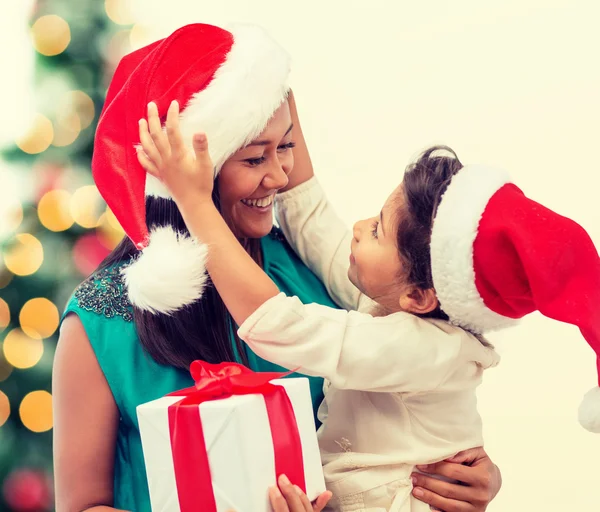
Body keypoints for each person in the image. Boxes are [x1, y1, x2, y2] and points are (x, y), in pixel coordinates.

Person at [53, 23, 503, 512]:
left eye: (285, 146)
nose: (280, 174)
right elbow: (81, 505)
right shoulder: (101, 320)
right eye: (253, 158)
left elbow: (401, 420)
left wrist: (464, 472)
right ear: (187, 175)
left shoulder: (307, 272)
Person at [137, 99, 600, 510]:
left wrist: (194, 201)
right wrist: (274, 86)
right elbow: (310, 216)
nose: (358, 227)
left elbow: (280, 326)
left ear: (420, 296)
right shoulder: (403, 303)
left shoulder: (424, 348)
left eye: (377, 230)